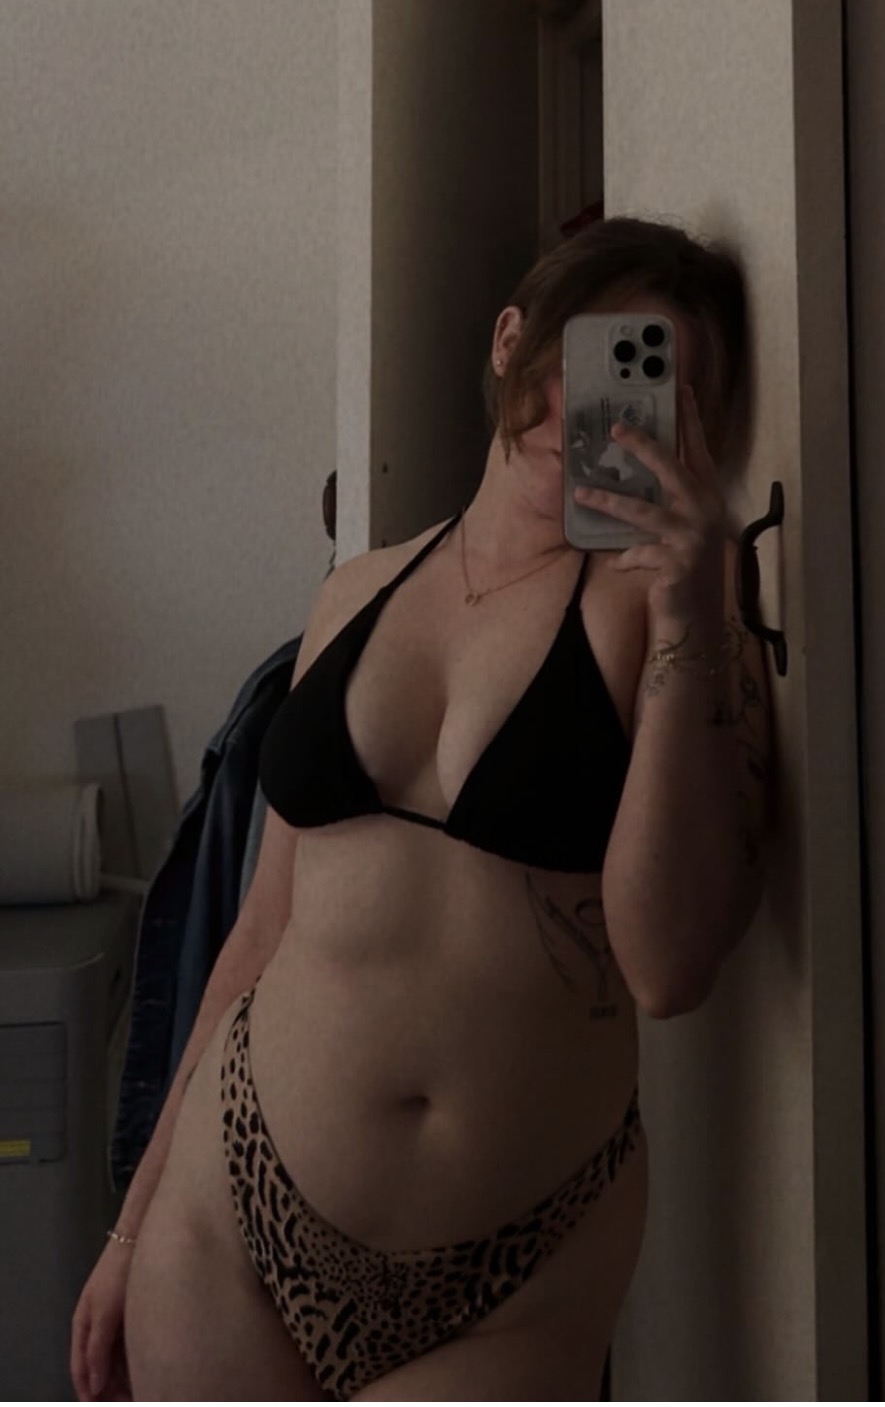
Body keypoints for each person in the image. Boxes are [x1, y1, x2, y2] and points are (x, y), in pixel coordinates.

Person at [70, 215, 770, 1402]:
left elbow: (668, 967)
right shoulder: (354, 593)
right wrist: (130, 1229)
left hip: (512, 1274)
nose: (604, 408)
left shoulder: (673, 626)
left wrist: (694, 605)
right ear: (511, 341)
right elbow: (259, 932)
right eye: (592, 353)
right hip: (230, 1208)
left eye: (654, 382)